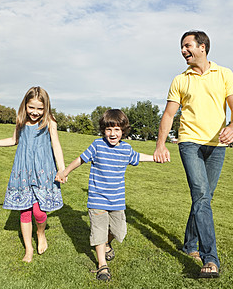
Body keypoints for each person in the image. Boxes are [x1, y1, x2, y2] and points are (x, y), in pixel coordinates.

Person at [153, 30, 233, 278]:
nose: (183, 51)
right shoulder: (180, 80)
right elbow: (169, 115)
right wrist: (161, 144)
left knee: (204, 198)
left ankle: (189, 244)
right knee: (202, 195)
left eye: (187, 45)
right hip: (190, 143)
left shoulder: (225, 74)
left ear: (202, 47)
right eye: (182, 47)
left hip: (217, 146)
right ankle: (210, 258)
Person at [57, 109, 159, 281]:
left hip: (117, 201)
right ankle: (102, 265)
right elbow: (80, 159)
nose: (112, 133)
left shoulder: (126, 149)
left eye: (117, 129)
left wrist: (155, 157)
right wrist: (65, 172)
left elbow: (137, 157)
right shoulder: (97, 145)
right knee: (98, 230)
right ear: (103, 130)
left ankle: (106, 244)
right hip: (97, 199)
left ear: (123, 131)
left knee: (119, 232)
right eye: (109, 129)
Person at [0, 86, 65, 263]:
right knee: (25, 211)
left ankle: (40, 232)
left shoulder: (50, 122)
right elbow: (14, 140)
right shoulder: (20, 120)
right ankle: (28, 249)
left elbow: (56, 145)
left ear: (46, 108)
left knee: (40, 212)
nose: (35, 112)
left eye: (39, 108)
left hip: (43, 172)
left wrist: (62, 169)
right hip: (23, 172)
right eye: (31, 107)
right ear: (25, 105)